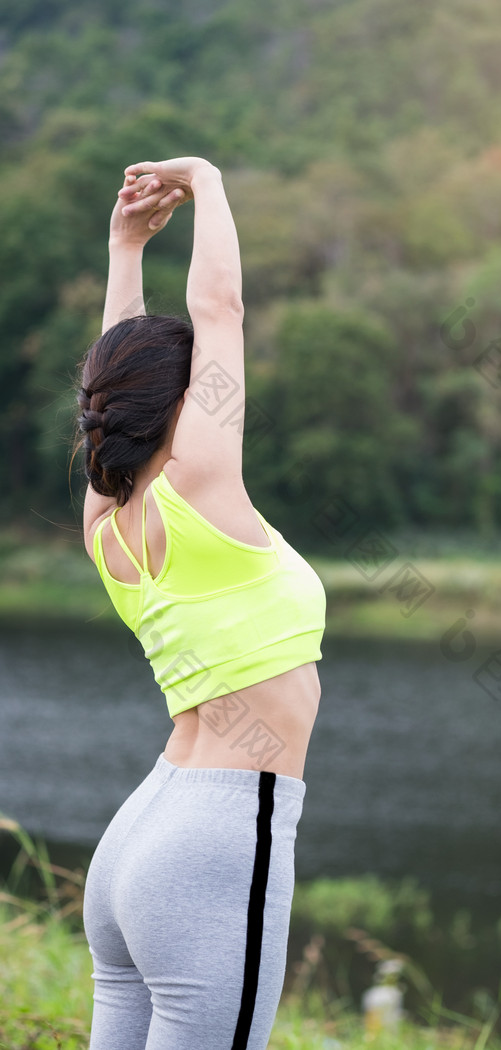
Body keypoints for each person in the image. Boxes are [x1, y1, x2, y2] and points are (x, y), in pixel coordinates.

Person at [71, 157, 327, 1050]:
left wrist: (125, 249)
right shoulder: (205, 487)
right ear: (186, 403)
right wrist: (210, 182)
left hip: (143, 837)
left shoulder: (107, 520)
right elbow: (219, 310)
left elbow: (115, 379)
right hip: (217, 840)